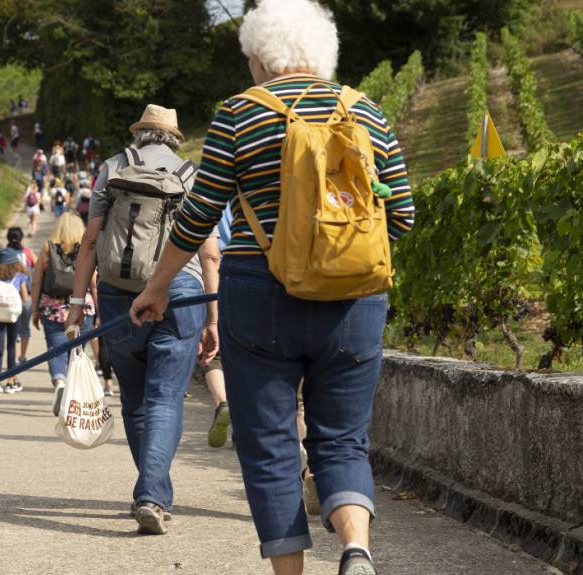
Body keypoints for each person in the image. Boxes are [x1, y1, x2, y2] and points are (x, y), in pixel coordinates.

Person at [128, 1, 416, 573]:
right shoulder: (368, 112)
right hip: (355, 300)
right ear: (322, 53)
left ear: (261, 56)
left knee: (269, 446)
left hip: (260, 294)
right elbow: (402, 214)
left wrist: (157, 287)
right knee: (342, 439)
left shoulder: (239, 113)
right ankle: (356, 547)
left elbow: (198, 216)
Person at [66, 104, 220, 537]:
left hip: (119, 291)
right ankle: (152, 494)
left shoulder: (113, 168)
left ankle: (151, 491)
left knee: (135, 399)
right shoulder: (192, 175)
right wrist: (213, 317)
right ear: (174, 138)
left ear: (140, 134)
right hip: (182, 290)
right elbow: (209, 252)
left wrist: (78, 302)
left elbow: (92, 240)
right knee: (165, 398)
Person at [29, 213, 98, 415]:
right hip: (82, 308)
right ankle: (70, 395)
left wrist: (34, 310)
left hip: (53, 308)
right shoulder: (86, 249)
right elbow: (93, 282)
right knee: (76, 352)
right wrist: (98, 308)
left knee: (55, 350)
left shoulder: (47, 248)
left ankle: (60, 382)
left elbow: (36, 282)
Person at [0, 248, 29, 396]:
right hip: (13, 315)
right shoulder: (20, 276)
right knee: (11, 346)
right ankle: (11, 381)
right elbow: (24, 298)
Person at [6, 227, 36, 365]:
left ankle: (13, 355)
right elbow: (38, 265)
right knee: (25, 328)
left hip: (9, 296)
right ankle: (22, 356)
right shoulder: (28, 253)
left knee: (11, 328)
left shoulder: (4, 253)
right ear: (22, 238)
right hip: (26, 296)